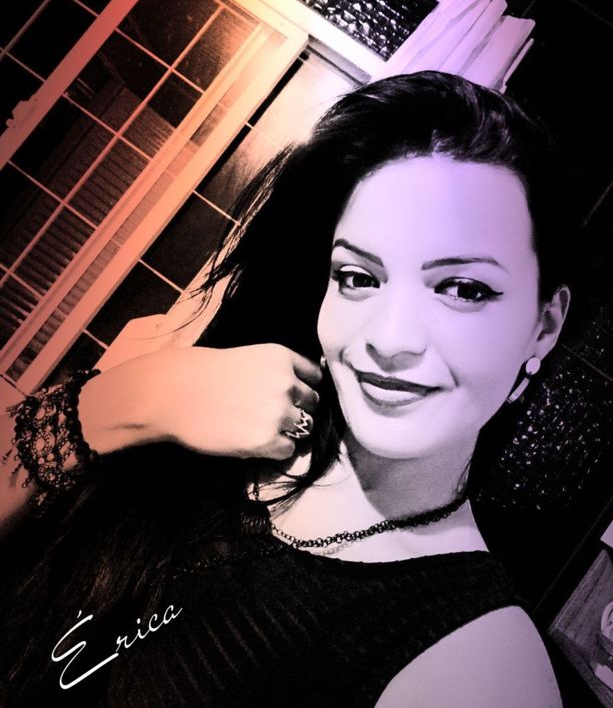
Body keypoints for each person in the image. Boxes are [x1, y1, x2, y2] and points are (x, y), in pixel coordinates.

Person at [0, 71, 574, 707]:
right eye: (358, 276)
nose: (390, 338)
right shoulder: (205, 402)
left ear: (543, 326)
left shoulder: (480, 667)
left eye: (464, 289)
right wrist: (130, 402)